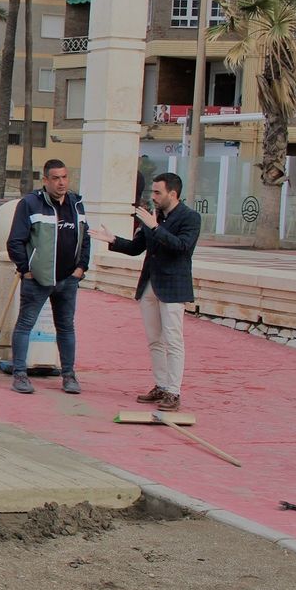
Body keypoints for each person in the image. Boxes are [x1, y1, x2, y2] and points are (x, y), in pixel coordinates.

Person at [89, 172, 200, 412]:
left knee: (173, 340)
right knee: (154, 340)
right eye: (153, 192)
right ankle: (161, 385)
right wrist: (112, 240)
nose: (153, 196)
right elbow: (136, 248)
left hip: (173, 287)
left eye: (158, 192)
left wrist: (155, 227)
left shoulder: (190, 218)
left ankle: (173, 391)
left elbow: (181, 247)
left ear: (173, 193)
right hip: (150, 284)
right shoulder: (154, 217)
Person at [6, 159, 91, 395]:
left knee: (66, 328)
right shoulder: (31, 204)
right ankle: (20, 375)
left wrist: (81, 268)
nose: (61, 182)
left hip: (68, 280)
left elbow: (86, 237)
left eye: (64, 177)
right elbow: (15, 240)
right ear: (45, 180)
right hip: (38, 280)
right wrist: (26, 269)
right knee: (25, 325)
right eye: (55, 178)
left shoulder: (77, 204)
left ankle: (69, 375)